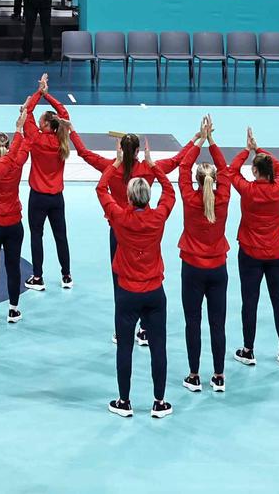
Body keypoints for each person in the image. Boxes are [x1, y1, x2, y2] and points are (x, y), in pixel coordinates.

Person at [95, 136, 175, 418]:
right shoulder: (158, 218)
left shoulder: (119, 218)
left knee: (125, 348)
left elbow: (101, 188)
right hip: (154, 291)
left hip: (127, 292)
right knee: (158, 348)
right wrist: (154, 167)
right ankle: (159, 402)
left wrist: (115, 163)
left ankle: (124, 401)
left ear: (129, 197)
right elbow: (170, 193)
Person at [167, 120, 235, 393]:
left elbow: (183, 167)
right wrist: (212, 143)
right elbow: (227, 172)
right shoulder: (224, 197)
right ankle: (218, 376)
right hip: (218, 268)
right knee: (217, 324)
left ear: (196, 181)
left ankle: (194, 375)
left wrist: (199, 141)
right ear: (216, 180)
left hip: (192, 268)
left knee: (192, 322)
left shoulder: (189, 198)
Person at [229, 131, 279, 368]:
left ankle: (248, 350)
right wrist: (259, 150)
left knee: (250, 301)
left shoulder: (248, 190)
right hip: (277, 252)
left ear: (254, 172)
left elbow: (231, 171)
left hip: (251, 254)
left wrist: (247, 150)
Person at [18, 78, 76, 290]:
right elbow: (64, 114)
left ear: (43, 125)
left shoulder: (36, 138)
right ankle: (67, 276)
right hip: (57, 198)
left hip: (38, 197)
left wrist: (39, 92)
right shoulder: (63, 138)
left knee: (36, 235)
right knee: (61, 236)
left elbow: (27, 113)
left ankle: (38, 277)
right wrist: (48, 95)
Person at [0, 120, 31, 325]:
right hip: (13, 224)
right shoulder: (17, 162)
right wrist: (23, 120)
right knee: (13, 266)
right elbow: (27, 142)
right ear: (9, 146)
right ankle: (13, 309)